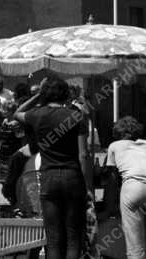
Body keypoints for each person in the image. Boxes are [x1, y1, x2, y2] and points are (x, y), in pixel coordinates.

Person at [17, 77, 93, 259]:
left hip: (49, 178)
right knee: (73, 236)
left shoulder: (37, 115)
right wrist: (87, 186)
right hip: (72, 177)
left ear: (46, 94)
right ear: (66, 94)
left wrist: (37, 96)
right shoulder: (76, 116)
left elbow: (17, 112)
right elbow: (83, 155)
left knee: (53, 237)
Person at [104, 116, 146, 259]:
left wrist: (108, 208)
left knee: (135, 248)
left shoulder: (115, 146)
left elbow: (112, 180)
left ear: (118, 133)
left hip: (132, 187)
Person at [0, 100, 25, 171]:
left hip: (12, 154)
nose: (1, 111)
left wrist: (16, 129)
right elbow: (2, 139)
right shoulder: (4, 121)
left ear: (10, 112)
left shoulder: (16, 124)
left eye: (4, 110)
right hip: (3, 153)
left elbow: (21, 140)